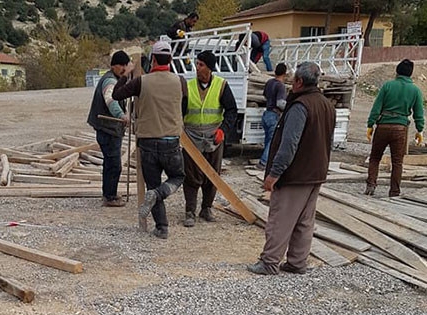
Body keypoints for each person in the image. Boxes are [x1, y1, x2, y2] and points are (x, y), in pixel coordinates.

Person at [247, 62, 336, 275]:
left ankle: (269, 262)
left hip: (295, 174)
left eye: (293, 79)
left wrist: (274, 173)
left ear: (299, 82)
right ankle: (297, 262)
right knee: (304, 221)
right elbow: (328, 141)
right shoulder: (327, 105)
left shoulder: (300, 106)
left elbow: (289, 144)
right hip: (315, 173)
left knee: (281, 219)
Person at [112, 41, 188, 239]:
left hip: (147, 142)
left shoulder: (141, 82)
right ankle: (160, 194)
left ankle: (162, 227)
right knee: (177, 177)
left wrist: (126, 74)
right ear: (170, 59)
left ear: (153, 59)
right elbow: (184, 108)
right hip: (170, 141)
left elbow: (116, 94)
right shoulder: (180, 81)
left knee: (152, 185)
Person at [182, 51, 238, 227]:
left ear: (209, 67)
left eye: (201, 65)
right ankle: (190, 211)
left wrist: (223, 130)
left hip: (213, 135)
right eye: (197, 64)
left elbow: (232, 110)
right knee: (191, 175)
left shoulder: (221, 85)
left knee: (212, 174)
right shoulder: (188, 86)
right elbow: (180, 111)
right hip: (191, 135)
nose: (197, 68)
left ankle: (206, 208)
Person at [365, 58, 424, 197]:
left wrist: (370, 124)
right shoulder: (415, 90)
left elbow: (376, 107)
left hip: (383, 126)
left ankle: (371, 185)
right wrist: (420, 130)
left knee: (375, 158)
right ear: (410, 74)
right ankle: (394, 191)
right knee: (397, 162)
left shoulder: (387, 86)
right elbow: (419, 114)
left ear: (397, 71)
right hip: (400, 129)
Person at [86, 50, 132, 207]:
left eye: (126, 66)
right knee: (114, 164)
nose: (124, 69)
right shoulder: (110, 81)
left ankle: (109, 193)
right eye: (122, 66)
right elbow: (111, 100)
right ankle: (110, 197)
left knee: (110, 163)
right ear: (115, 66)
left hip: (107, 128)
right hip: (108, 129)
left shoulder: (112, 79)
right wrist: (121, 115)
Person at [258, 63, 288, 170]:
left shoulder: (269, 82)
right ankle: (263, 162)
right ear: (284, 73)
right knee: (272, 141)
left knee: (268, 139)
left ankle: (268, 161)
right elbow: (280, 103)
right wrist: (288, 107)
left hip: (266, 113)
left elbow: (265, 95)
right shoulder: (281, 86)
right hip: (274, 115)